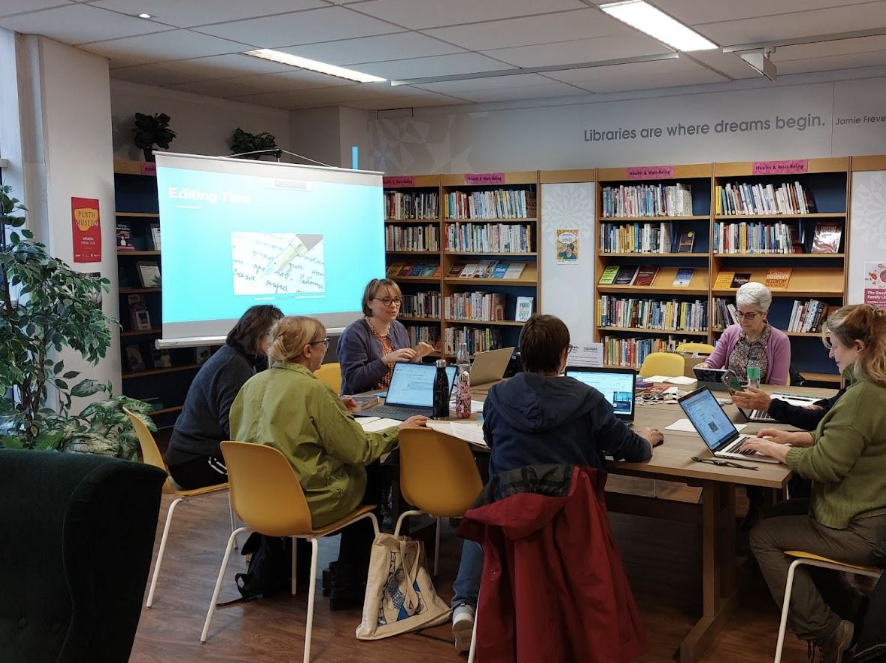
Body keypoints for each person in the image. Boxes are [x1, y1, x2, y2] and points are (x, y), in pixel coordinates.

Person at [449, 314, 664, 653]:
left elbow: (491, 438)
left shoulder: (498, 395)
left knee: (484, 508)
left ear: (522, 354)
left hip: (508, 512)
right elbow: (631, 450)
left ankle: (464, 604)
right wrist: (649, 439)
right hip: (568, 516)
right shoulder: (588, 398)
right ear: (564, 354)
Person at [739, 304, 886, 663]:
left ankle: (829, 631)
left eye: (834, 346)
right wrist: (793, 440)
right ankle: (848, 602)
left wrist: (772, 449)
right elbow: (844, 440)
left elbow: (825, 466)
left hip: (862, 527)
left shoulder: (865, 397)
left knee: (762, 536)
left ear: (858, 347)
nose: (830, 353)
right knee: (776, 515)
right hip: (880, 512)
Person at [229, 315, 428, 609]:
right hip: (306, 504)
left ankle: (309, 575)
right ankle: (349, 584)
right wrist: (400, 430)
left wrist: (335, 407)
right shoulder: (313, 390)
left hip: (255, 503)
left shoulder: (252, 385)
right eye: (323, 343)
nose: (326, 348)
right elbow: (359, 449)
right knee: (370, 473)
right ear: (308, 351)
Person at [163, 305, 283, 489]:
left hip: (197, 454)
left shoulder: (239, 357)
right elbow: (235, 428)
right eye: (272, 335)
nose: (276, 342)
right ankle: (270, 516)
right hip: (195, 461)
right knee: (276, 470)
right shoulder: (234, 366)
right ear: (256, 335)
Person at [337, 278, 433, 395]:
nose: (393, 306)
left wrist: (415, 358)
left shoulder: (399, 328)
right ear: (369, 302)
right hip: (365, 404)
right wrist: (385, 361)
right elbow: (354, 380)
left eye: (397, 300)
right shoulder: (354, 334)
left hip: (395, 397)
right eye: (386, 300)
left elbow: (404, 376)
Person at [700, 281, 791, 386]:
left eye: (750, 315)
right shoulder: (731, 332)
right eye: (740, 313)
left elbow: (777, 385)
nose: (743, 320)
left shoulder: (779, 340)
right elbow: (712, 364)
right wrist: (704, 367)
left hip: (759, 398)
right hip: (729, 395)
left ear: (764, 314)